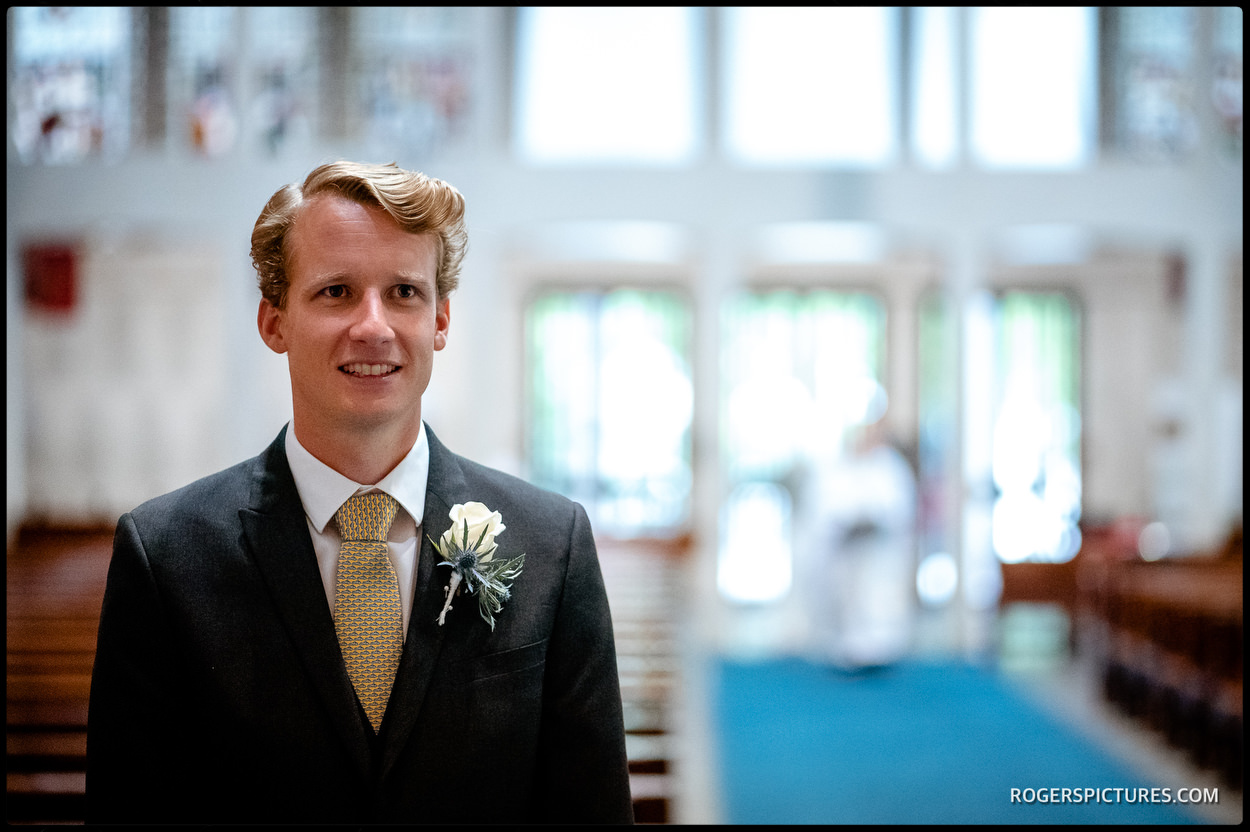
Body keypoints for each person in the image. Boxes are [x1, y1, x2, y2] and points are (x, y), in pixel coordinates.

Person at [86, 161, 634, 824]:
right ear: (274, 321)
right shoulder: (166, 556)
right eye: (337, 291)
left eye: (403, 291)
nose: (373, 325)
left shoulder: (553, 544)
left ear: (440, 320)